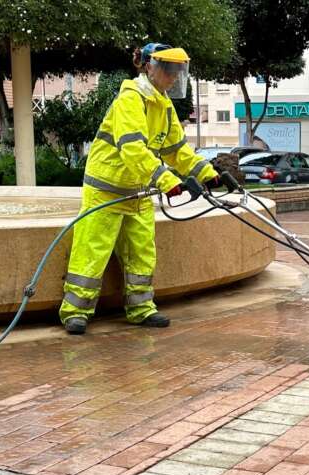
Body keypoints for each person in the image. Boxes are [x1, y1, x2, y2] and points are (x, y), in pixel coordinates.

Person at [59, 43, 219, 335]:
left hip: (139, 190)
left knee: (142, 252)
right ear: (149, 67)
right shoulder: (130, 100)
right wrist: (166, 180)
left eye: (178, 71)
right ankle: (75, 312)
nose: (173, 77)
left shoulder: (163, 104)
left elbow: (176, 149)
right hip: (107, 189)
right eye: (169, 70)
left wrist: (207, 173)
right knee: (92, 250)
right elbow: (131, 148)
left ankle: (141, 308)